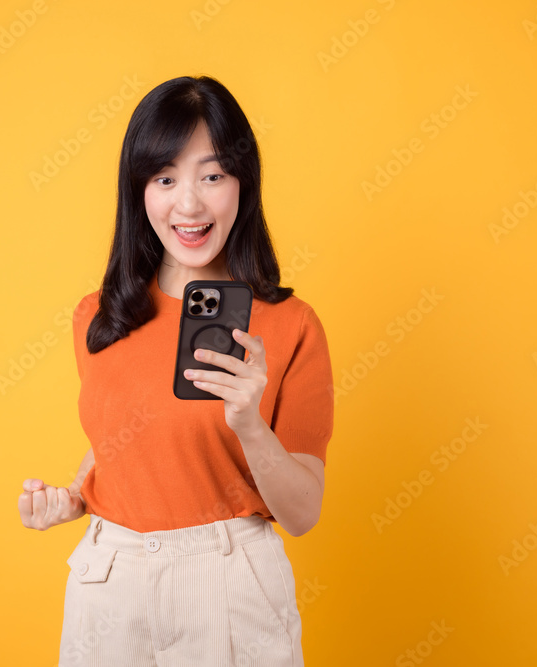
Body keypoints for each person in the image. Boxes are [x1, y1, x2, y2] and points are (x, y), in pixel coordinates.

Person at [18, 75, 334, 667]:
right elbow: (123, 444)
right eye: (165, 178)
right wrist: (74, 497)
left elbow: (303, 514)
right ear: (139, 190)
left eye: (212, 176)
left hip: (229, 580)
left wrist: (249, 424)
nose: (188, 204)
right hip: (110, 581)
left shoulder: (291, 325)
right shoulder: (99, 316)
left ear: (244, 183)